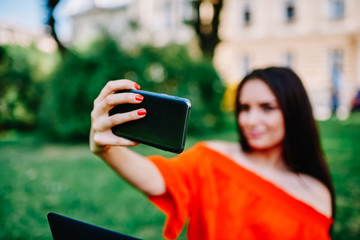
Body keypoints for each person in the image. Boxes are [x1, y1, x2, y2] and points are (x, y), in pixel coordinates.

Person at [90, 67, 335, 240]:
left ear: (294, 112)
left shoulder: (315, 195)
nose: (250, 120)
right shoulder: (212, 158)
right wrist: (105, 149)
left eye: (267, 108)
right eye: (244, 108)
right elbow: (156, 179)